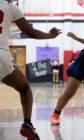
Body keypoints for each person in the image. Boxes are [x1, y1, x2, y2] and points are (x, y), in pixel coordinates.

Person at [0, 0, 61, 139]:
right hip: (1, 55)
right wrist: (50, 35)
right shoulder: (11, 8)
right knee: (25, 88)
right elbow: (30, 32)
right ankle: (27, 124)